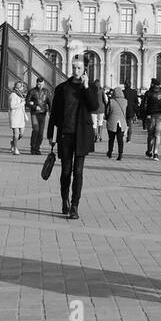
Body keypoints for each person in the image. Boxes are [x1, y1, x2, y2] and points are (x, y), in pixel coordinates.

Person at [48, 56, 101, 219]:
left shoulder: (90, 87)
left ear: (84, 69)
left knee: (78, 172)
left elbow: (94, 107)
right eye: (74, 68)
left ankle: (75, 205)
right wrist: (51, 134)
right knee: (65, 171)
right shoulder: (62, 88)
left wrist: (85, 87)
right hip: (65, 135)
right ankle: (65, 200)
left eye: (79, 68)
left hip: (82, 135)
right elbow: (54, 113)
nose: (76, 71)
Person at [25, 76, 52, 155]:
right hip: (34, 113)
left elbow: (50, 102)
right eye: (39, 84)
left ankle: (37, 148)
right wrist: (34, 106)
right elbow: (27, 102)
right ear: (36, 83)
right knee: (36, 130)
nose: (40, 86)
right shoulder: (32, 91)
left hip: (43, 113)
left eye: (42, 84)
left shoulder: (46, 92)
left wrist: (51, 111)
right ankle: (33, 148)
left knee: (41, 133)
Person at [142, 79, 161, 160]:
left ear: (152, 84)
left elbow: (144, 105)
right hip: (160, 116)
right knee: (157, 135)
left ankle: (149, 151)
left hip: (151, 116)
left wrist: (146, 115)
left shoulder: (148, 93)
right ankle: (156, 153)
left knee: (150, 135)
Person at [105, 87, 129, 161]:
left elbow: (107, 111)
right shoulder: (125, 101)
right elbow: (126, 112)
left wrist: (107, 117)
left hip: (112, 121)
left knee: (111, 139)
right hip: (121, 122)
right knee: (120, 140)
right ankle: (120, 154)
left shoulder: (111, 101)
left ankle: (110, 152)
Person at [8, 83, 27, 155]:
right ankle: (15, 148)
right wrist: (22, 103)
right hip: (15, 116)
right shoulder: (13, 95)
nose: (22, 87)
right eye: (21, 86)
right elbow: (12, 106)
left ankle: (13, 142)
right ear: (16, 87)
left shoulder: (22, 95)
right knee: (16, 134)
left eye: (22, 86)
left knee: (21, 134)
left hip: (21, 117)